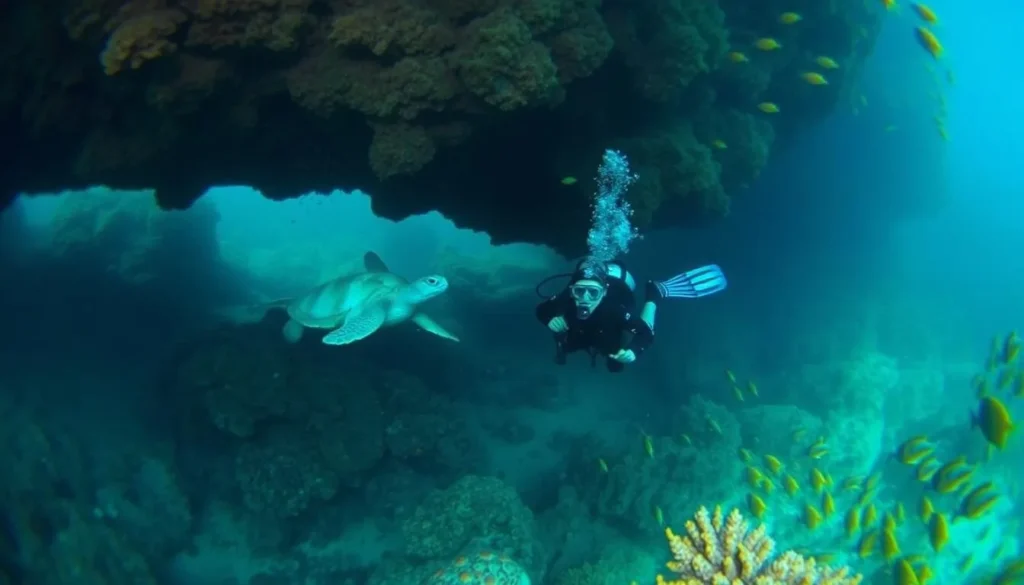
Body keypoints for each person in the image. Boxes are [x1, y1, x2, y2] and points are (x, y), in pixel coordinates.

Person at [534, 259, 727, 372]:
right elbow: (541, 310)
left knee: (616, 365)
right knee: (567, 346)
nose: (585, 298)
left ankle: (654, 294)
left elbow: (645, 332)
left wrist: (634, 351)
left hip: (614, 312)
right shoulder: (566, 299)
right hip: (582, 328)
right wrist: (549, 319)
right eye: (579, 291)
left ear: (603, 292)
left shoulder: (614, 310)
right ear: (572, 290)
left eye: (593, 293)